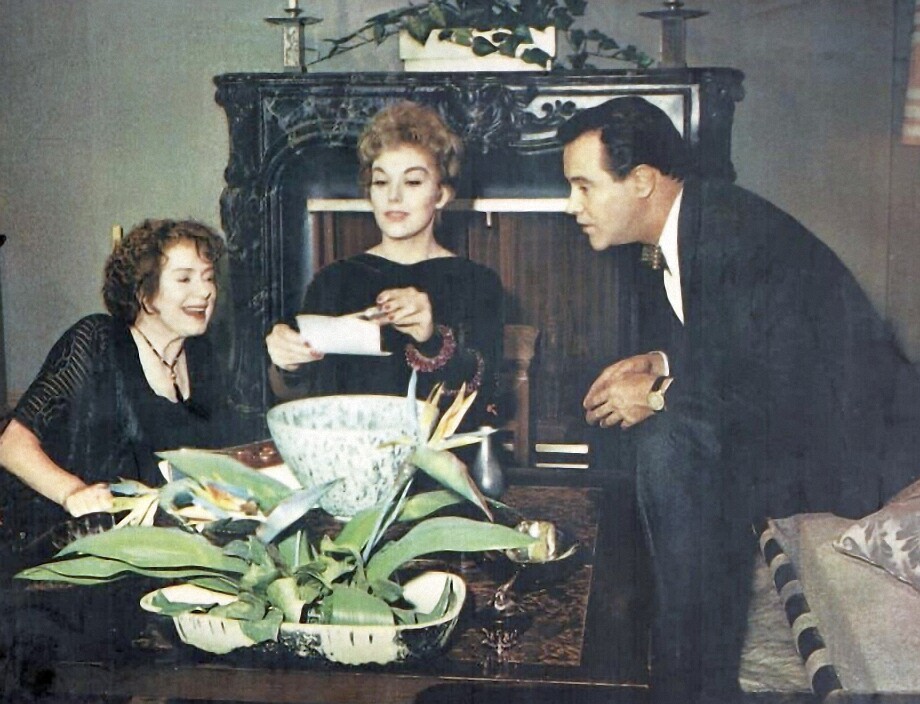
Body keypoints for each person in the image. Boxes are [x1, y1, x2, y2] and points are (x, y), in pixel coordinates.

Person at [557, 96, 920, 703]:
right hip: (799, 422)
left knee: (669, 442)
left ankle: (689, 681)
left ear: (641, 180)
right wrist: (662, 362)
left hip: (853, 450)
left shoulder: (736, 237)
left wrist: (660, 392)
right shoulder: (691, 222)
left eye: (584, 186)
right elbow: (740, 347)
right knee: (634, 423)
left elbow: (789, 391)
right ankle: (627, 638)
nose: (572, 205)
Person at [0, 219, 234, 550]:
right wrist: (72, 492)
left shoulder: (203, 357)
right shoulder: (97, 342)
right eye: (184, 278)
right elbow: (11, 445)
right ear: (144, 293)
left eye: (208, 277)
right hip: (74, 543)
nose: (206, 291)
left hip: (161, 546)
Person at [265, 101, 503, 423]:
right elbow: (298, 395)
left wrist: (430, 339)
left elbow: (483, 395)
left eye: (413, 182)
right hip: (348, 448)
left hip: (435, 452)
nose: (393, 196)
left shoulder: (477, 282)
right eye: (381, 182)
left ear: (441, 194)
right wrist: (286, 362)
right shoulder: (333, 280)